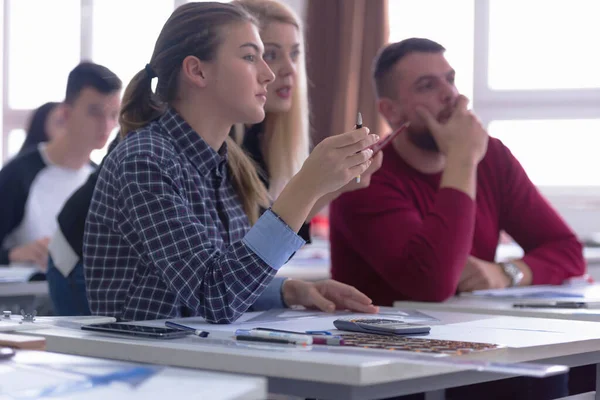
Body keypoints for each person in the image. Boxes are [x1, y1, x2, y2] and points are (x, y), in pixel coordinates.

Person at [84, 2, 379, 323]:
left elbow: (228, 274)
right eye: (251, 57)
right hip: (146, 367)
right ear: (197, 71)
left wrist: (289, 291)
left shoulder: (226, 164)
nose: (267, 74)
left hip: (198, 358)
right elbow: (216, 296)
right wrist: (307, 185)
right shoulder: (144, 161)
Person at [329, 38, 585, 306]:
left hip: (472, 333)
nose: (451, 95)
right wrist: (462, 158)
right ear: (390, 111)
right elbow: (432, 285)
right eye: (427, 86)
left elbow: (567, 250)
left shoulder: (491, 157)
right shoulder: (365, 175)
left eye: (450, 80)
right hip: (380, 342)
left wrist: (507, 273)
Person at [231, 0, 383, 242]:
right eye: (270, 54)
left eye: (294, 54)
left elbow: (270, 237)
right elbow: (252, 247)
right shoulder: (221, 144)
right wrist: (313, 183)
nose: (289, 69)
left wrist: (334, 185)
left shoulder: (259, 136)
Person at [0, 62, 121, 269]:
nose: (106, 125)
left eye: (113, 115)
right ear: (66, 114)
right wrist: (12, 254)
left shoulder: (101, 180)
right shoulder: (19, 174)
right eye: (95, 112)